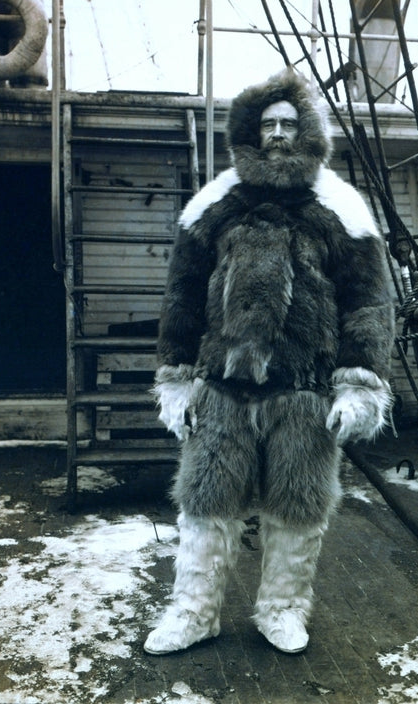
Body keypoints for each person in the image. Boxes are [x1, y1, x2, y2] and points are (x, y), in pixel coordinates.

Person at [144, 68, 395, 656]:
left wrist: (359, 384)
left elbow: (368, 303)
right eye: (268, 125)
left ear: (306, 130)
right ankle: (193, 613)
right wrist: (176, 378)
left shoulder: (339, 205)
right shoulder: (216, 203)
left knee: (298, 507)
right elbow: (182, 296)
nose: (278, 134)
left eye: (288, 123)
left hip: (304, 392)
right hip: (221, 390)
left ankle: (281, 610)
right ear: (250, 133)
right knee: (205, 505)